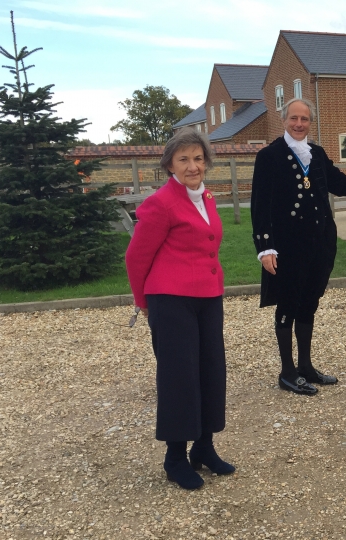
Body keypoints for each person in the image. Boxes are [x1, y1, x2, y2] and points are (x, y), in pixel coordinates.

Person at [251, 98, 346, 395]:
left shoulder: (317, 154)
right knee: (288, 304)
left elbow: (343, 184)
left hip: (318, 244)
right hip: (286, 246)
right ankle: (287, 371)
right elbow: (260, 206)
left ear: (311, 122)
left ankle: (305, 366)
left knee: (309, 303)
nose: (298, 124)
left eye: (304, 119)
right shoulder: (269, 156)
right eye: (293, 118)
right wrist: (265, 247)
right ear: (284, 121)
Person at [125, 128, 235, 490]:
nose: (193, 166)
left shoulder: (206, 199)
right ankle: (175, 456)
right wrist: (144, 303)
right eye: (184, 159)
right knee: (179, 377)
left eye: (199, 158)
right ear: (170, 164)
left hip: (207, 297)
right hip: (170, 301)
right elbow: (136, 257)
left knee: (210, 371)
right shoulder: (161, 202)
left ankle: (203, 447)